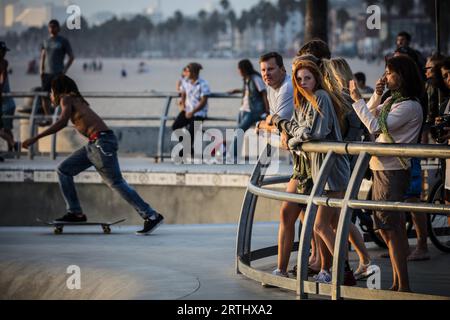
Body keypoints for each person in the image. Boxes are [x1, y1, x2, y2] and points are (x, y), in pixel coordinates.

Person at [22, 75, 164, 235]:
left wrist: (35, 138)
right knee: (64, 169)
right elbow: (58, 114)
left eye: (51, 92)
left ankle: (151, 215)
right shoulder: (74, 99)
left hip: (101, 143)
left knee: (116, 182)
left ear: (58, 90)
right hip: (94, 145)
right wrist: (48, 103)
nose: (50, 95)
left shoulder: (66, 98)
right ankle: (75, 213)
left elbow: (61, 122)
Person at [262, 59, 357, 285]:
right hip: (319, 170)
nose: (303, 82)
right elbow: (299, 131)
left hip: (332, 170)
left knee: (321, 225)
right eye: (299, 79)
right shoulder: (303, 101)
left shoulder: (322, 98)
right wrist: (294, 134)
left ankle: (343, 270)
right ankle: (338, 270)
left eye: (308, 78)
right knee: (324, 224)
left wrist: (287, 130)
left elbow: (313, 133)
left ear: (317, 79)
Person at [349, 55, 424, 292]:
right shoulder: (393, 101)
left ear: (403, 76)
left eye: (390, 72)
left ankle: (404, 285)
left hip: (393, 171)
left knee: (392, 229)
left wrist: (356, 99)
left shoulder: (409, 105)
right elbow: (368, 114)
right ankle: (397, 282)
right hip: (381, 168)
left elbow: (374, 126)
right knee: (386, 228)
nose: (385, 76)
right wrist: (376, 94)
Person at [228, 59, 269, 160]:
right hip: (244, 109)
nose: (238, 71)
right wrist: (237, 90)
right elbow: (249, 90)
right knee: (238, 132)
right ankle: (235, 155)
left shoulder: (256, 78)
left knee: (238, 131)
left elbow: (263, 93)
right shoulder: (247, 79)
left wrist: (267, 110)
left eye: (239, 69)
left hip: (253, 111)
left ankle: (232, 156)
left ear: (244, 69)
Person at [172, 62, 210, 156]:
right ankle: (188, 149)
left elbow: (203, 100)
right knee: (176, 126)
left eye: (187, 71)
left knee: (191, 131)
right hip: (187, 111)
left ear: (193, 72)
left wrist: (193, 112)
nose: (185, 72)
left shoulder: (203, 83)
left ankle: (184, 152)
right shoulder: (186, 81)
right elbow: (183, 93)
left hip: (199, 113)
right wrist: (184, 106)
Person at [40, 20, 75, 123]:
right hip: (46, 74)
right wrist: (41, 70)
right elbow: (43, 55)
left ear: (58, 28)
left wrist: (64, 70)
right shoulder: (46, 41)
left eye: (54, 27)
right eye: (50, 27)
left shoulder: (63, 41)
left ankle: (60, 118)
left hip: (58, 73)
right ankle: (48, 118)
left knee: (60, 97)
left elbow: (71, 57)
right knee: (44, 96)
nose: (52, 28)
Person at [0, 41, 19, 154]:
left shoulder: (3, 63)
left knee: (6, 129)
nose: (4, 53)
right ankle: (13, 146)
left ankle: (12, 147)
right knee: (4, 129)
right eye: (2, 51)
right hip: (4, 102)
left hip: (7, 103)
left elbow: (3, 78)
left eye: (4, 51)